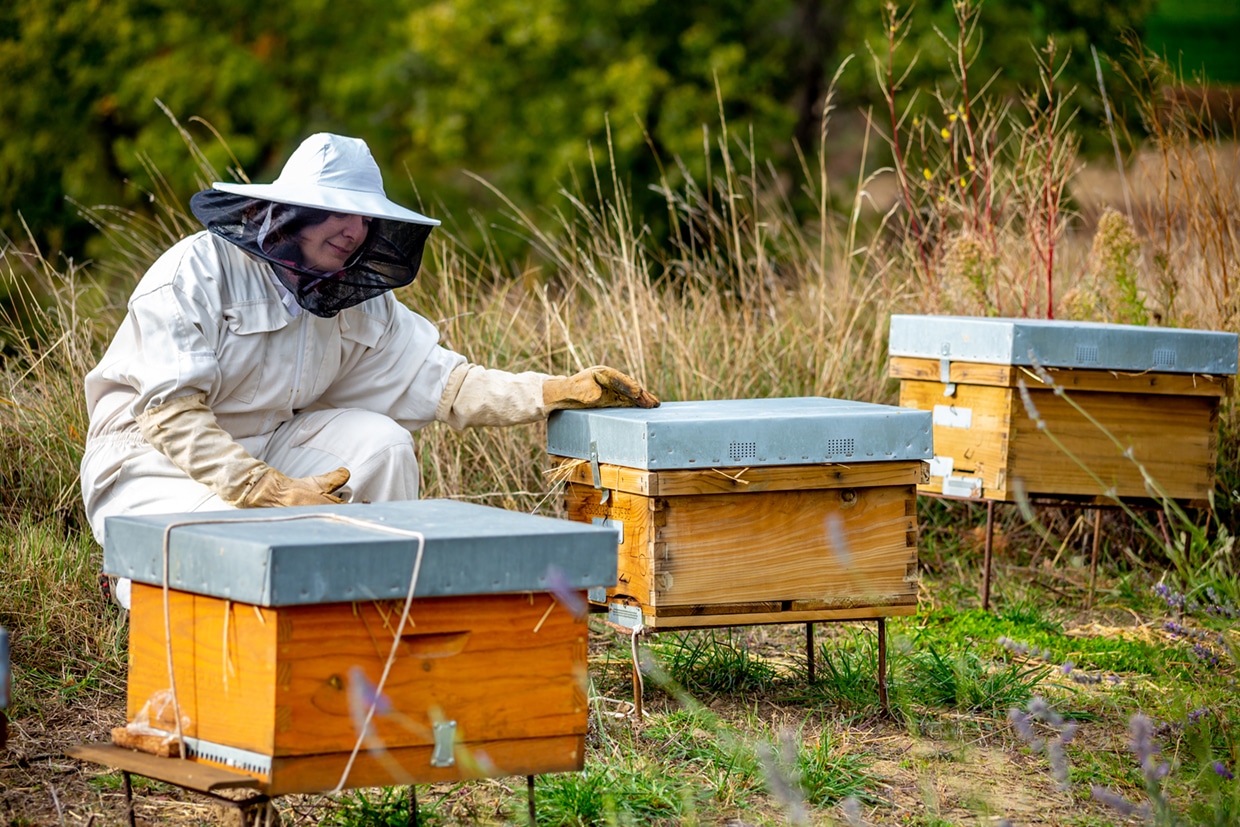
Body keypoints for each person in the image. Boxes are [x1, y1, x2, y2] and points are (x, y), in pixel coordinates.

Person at [80, 133, 658, 607]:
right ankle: (130, 573)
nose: (354, 231)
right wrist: (265, 489)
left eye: (364, 218)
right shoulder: (195, 272)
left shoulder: (358, 300)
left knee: (381, 443)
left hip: (266, 447)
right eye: (338, 212)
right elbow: (170, 415)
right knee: (227, 554)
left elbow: (444, 383)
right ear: (290, 211)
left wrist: (552, 392)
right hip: (149, 462)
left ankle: (372, 608)